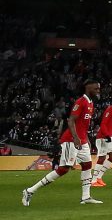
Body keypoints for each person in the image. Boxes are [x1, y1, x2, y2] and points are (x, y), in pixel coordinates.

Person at [21, 78, 102, 208]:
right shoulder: (81, 102)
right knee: (64, 169)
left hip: (82, 141)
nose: (98, 91)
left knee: (87, 165)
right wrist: (75, 138)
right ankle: (30, 191)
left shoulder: (91, 103)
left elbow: (83, 125)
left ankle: (86, 197)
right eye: (96, 88)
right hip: (71, 140)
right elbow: (71, 121)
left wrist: (86, 140)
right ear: (88, 88)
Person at [91, 95, 112, 190]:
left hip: (110, 136)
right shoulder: (110, 109)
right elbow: (103, 124)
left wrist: (110, 135)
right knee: (102, 157)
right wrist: (106, 135)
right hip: (103, 137)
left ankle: (99, 177)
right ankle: (93, 180)